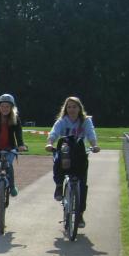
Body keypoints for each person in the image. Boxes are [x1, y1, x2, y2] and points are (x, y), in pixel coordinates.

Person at [45, 96, 101, 228]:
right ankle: (59, 186)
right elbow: (54, 133)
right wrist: (50, 143)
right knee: (58, 161)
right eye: (69, 107)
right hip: (65, 152)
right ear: (65, 109)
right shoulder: (62, 121)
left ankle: (80, 214)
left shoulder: (85, 121)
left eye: (74, 107)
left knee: (82, 185)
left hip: (79, 154)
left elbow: (91, 134)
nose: (71, 109)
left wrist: (94, 145)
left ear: (79, 108)